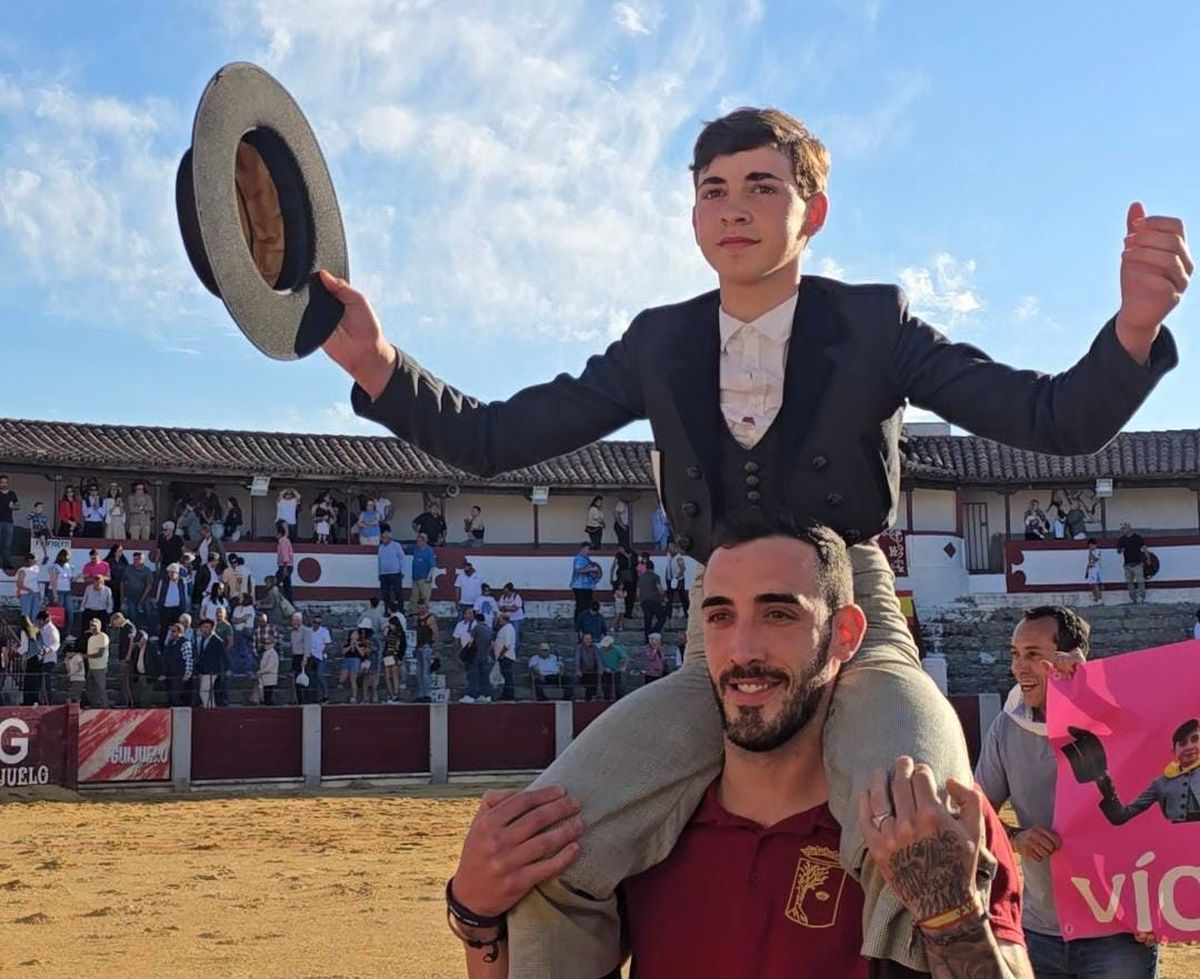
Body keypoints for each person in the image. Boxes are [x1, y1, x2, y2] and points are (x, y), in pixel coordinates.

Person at [318, 104, 1186, 973]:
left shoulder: (873, 323)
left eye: (762, 187)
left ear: (813, 211)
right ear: (694, 216)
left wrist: (1135, 328)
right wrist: (376, 364)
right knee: (542, 839)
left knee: (925, 833)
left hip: (858, 623)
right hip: (719, 636)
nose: (734, 208)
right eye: (714, 190)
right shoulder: (660, 342)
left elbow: (1052, 416)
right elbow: (496, 438)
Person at [449, 517, 1029, 976]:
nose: (743, 649)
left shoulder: (933, 823)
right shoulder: (638, 823)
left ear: (845, 634)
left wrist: (952, 919)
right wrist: (476, 915)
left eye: (778, 614)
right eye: (721, 617)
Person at [976, 605, 1158, 976]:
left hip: (1121, 931)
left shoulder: (1121, 718)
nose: (1019, 668)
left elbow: (1165, 808)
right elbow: (976, 812)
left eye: (1033, 655)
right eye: (1015, 654)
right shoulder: (1006, 728)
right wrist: (1017, 837)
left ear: (1069, 657)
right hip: (1040, 932)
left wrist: (1089, 690)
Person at [413, 601, 438, 703]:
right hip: (419, 647)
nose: (421, 610)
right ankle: (421, 694)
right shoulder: (418, 619)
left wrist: (434, 649)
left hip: (427, 647)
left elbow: (435, 633)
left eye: (423, 608)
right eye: (419, 608)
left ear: (426, 608)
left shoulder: (430, 618)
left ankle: (427, 694)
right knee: (419, 673)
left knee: (425, 672)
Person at [1116, 522, 1147, 604]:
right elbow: (1118, 551)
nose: (1123, 530)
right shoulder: (1122, 539)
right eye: (1122, 529)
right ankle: (1133, 598)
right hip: (1127, 564)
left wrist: (1148, 558)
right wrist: (1120, 550)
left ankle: (1142, 597)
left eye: (1124, 528)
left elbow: (1144, 548)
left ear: (1129, 528)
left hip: (1137, 563)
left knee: (1140, 581)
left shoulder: (1137, 538)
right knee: (1129, 583)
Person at [569, 542, 602, 621]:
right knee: (581, 605)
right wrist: (592, 569)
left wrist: (596, 576)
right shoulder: (579, 558)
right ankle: (579, 622)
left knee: (587, 605)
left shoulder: (586, 558)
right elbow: (578, 570)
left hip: (587, 586)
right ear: (583, 548)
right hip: (580, 586)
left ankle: (584, 621)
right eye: (588, 548)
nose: (589, 550)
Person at [83, 617, 110, 708]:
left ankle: (105, 707)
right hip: (91, 667)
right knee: (91, 689)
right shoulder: (90, 639)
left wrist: (87, 656)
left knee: (101, 688)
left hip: (100, 667)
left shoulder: (103, 636)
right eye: (91, 625)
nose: (93, 627)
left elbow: (100, 654)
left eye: (95, 625)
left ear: (100, 626)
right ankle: (93, 706)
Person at [377, 525, 405, 611]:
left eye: (385, 538)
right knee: (385, 594)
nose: (383, 539)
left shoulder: (396, 545)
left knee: (398, 592)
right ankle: (387, 610)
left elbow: (402, 558)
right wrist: (379, 573)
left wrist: (402, 571)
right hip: (384, 574)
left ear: (389, 538)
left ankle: (400, 610)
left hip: (395, 573)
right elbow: (379, 560)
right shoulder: (381, 547)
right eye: (382, 538)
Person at [409, 532, 436, 613]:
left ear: (424, 541)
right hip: (415, 577)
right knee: (414, 597)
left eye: (420, 541)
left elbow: (432, 566)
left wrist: (429, 577)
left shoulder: (429, 551)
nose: (418, 543)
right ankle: (414, 613)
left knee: (425, 597)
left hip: (424, 578)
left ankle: (425, 614)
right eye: (417, 541)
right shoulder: (416, 549)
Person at [596, 635, 626, 701]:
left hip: (615, 670)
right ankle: (607, 699)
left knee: (618, 687)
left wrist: (622, 667)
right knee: (606, 687)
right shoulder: (600, 650)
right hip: (605, 671)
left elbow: (624, 658)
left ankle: (620, 700)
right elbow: (598, 660)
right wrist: (604, 668)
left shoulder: (617, 649)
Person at [15, 553, 41, 623]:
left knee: (35, 613)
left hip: (36, 593)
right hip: (26, 594)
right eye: (35, 559)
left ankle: (34, 628)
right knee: (26, 613)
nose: (36, 560)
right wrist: (28, 589)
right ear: (29, 560)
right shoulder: (22, 570)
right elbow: (19, 584)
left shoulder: (36, 568)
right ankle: (25, 628)